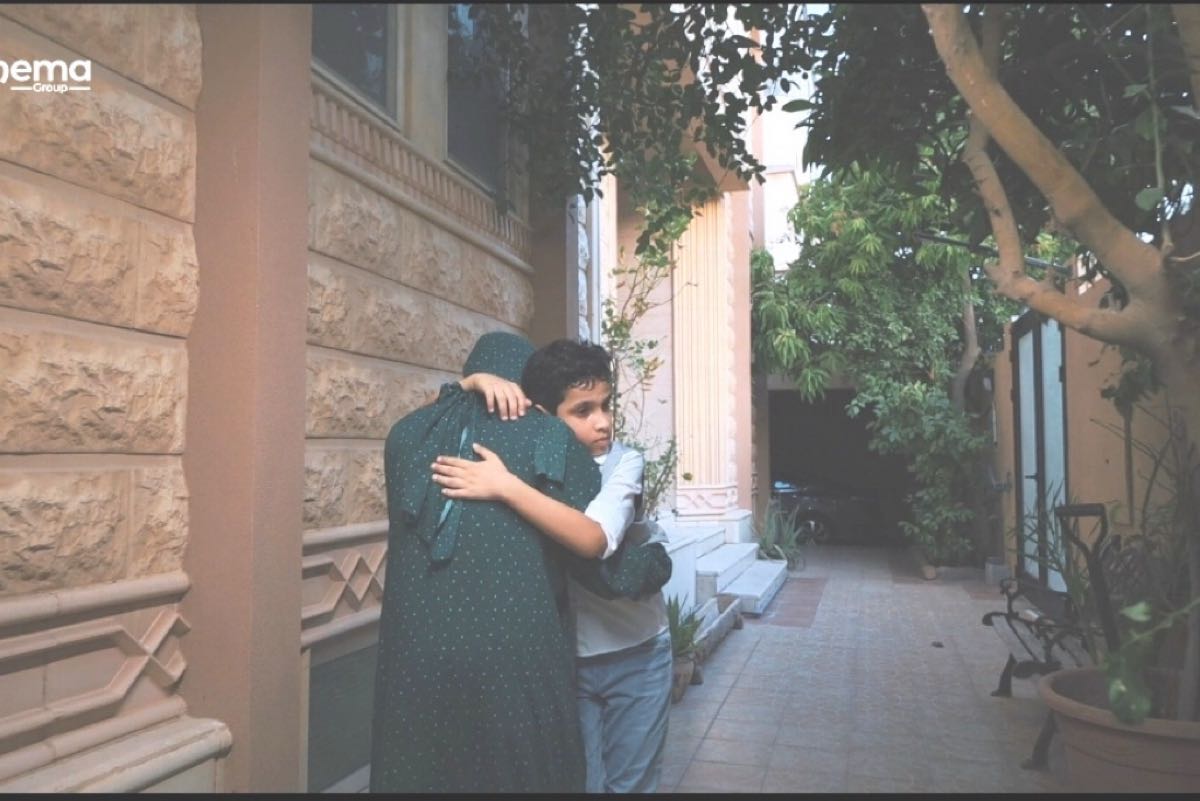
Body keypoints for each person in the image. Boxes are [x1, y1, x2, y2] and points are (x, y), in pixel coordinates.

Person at [432, 339, 673, 793]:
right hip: (568, 663)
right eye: (583, 411)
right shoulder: (531, 460)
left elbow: (593, 539)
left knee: (631, 787)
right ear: (545, 416)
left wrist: (505, 487)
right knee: (579, 784)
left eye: (606, 405)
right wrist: (472, 383)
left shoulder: (624, 463)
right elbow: (422, 427)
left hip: (637, 653)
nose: (603, 422)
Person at [369, 332, 598, 793]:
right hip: (515, 655)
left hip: (417, 655)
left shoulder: (405, 436)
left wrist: (463, 386)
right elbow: (594, 545)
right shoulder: (548, 434)